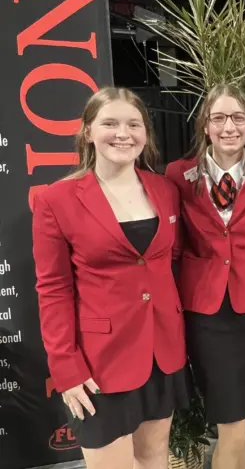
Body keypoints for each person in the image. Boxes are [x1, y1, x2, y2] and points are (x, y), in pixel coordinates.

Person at [32, 87, 189, 469]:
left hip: (161, 353)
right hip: (99, 363)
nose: (123, 134)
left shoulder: (165, 190)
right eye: (110, 123)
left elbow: (171, 261)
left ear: (146, 133)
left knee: (154, 457)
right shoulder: (57, 200)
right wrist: (67, 369)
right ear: (88, 131)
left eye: (134, 124)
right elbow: (53, 290)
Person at [165, 83, 245, 469]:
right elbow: (173, 243)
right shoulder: (178, 175)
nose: (229, 127)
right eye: (218, 118)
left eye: (238, 117)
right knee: (232, 421)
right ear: (205, 125)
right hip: (208, 311)